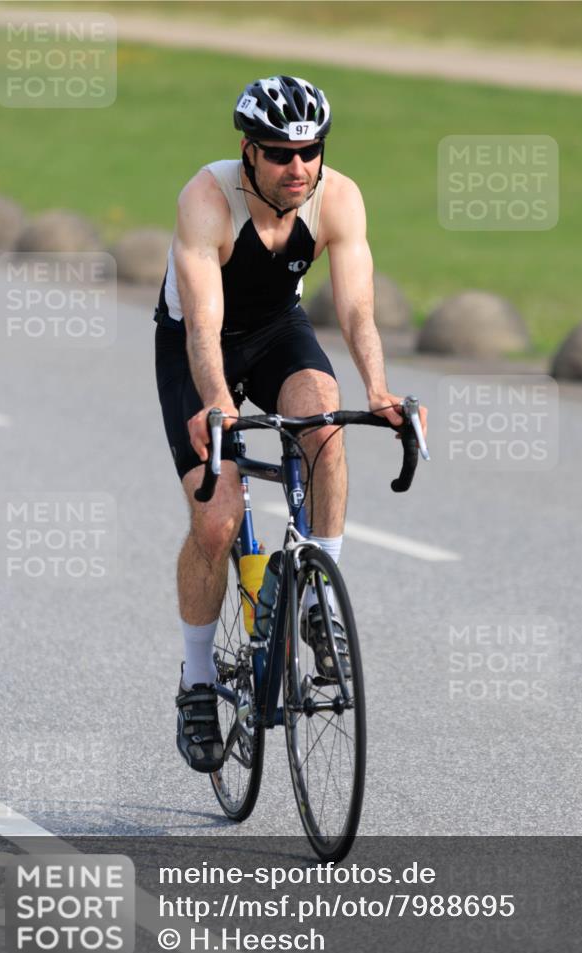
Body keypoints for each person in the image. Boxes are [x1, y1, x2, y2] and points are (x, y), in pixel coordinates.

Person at [155, 74, 426, 774]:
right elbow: (204, 326)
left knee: (324, 429)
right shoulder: (206, 199)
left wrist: (380, 389)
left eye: (309, 151)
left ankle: (319, 601)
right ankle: (196, 682)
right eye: (279, 154)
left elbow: (357, 310)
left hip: (279, 330)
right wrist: (217, 401)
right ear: (248, 152)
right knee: (215, 520)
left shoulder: (337, 197)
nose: (297, 167)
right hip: (198, 343)